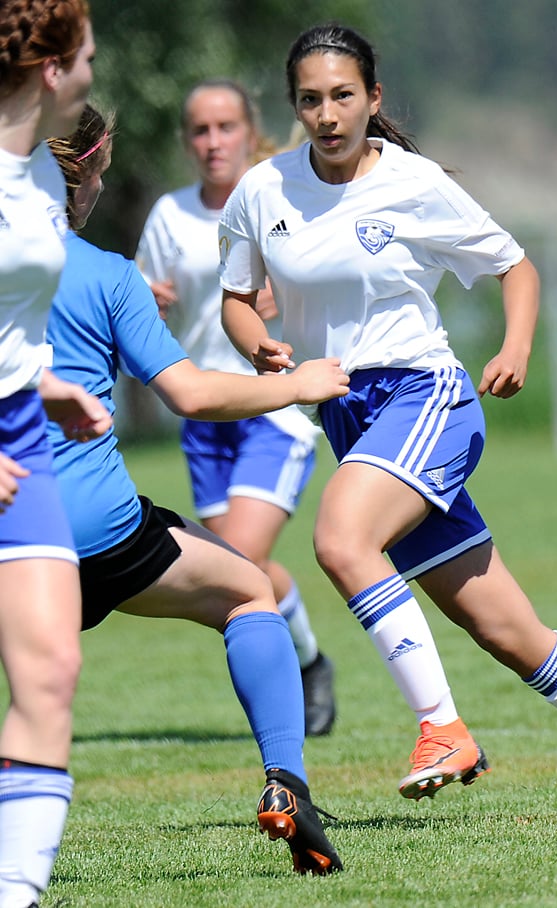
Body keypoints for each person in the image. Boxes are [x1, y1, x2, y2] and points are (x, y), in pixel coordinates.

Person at [219, 22, 557, 815]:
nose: (327, 114)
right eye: (310, 100)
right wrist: (266, 354)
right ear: (294, 106)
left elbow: (514, 264)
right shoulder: (264, 190)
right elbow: (238, 301)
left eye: (343, 96)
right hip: (352, 422)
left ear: (372, 98)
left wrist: (516, 345)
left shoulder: (411, 182)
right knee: (509, 632)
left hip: (425, 399)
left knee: (341, 540)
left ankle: (442, 727)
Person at [45, 105, 348, 874]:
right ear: (82, 173)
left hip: (14, 524)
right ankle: (289, 784)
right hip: (96, 528)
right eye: (103, 175)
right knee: (248, 591)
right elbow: (192, 393)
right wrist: (296, 385)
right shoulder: (104, 274)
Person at [135, 80, 336, 737]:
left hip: (274, 409)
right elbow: (139, 298)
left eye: (225, 126)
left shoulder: (281, 200)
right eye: (200, 130)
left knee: (239, 560)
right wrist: (143, 298)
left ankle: (293, 690)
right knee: (237, 560)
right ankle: (310, 660)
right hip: (205, 415)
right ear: (188, 141)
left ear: (251, 131)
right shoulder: (169, 215)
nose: (214, 141)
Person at [0, 4, 110, 906]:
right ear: (50, 65)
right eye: (89, 56)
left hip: (20, 435)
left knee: (49, 668)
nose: (95, 71)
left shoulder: (39, 172)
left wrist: (43, 382)